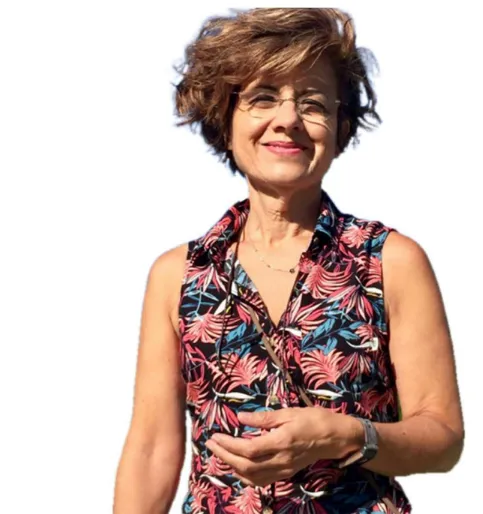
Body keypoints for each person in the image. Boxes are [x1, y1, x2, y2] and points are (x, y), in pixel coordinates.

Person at [113, 8, 464, 514]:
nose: (288, 119)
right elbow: (151, 449)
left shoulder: (392, 261)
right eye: (262, 98)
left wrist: (348, 435)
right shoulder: (178, 275)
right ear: (224, 118)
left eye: (313, 102)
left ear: (340, 126)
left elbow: (443, 438)